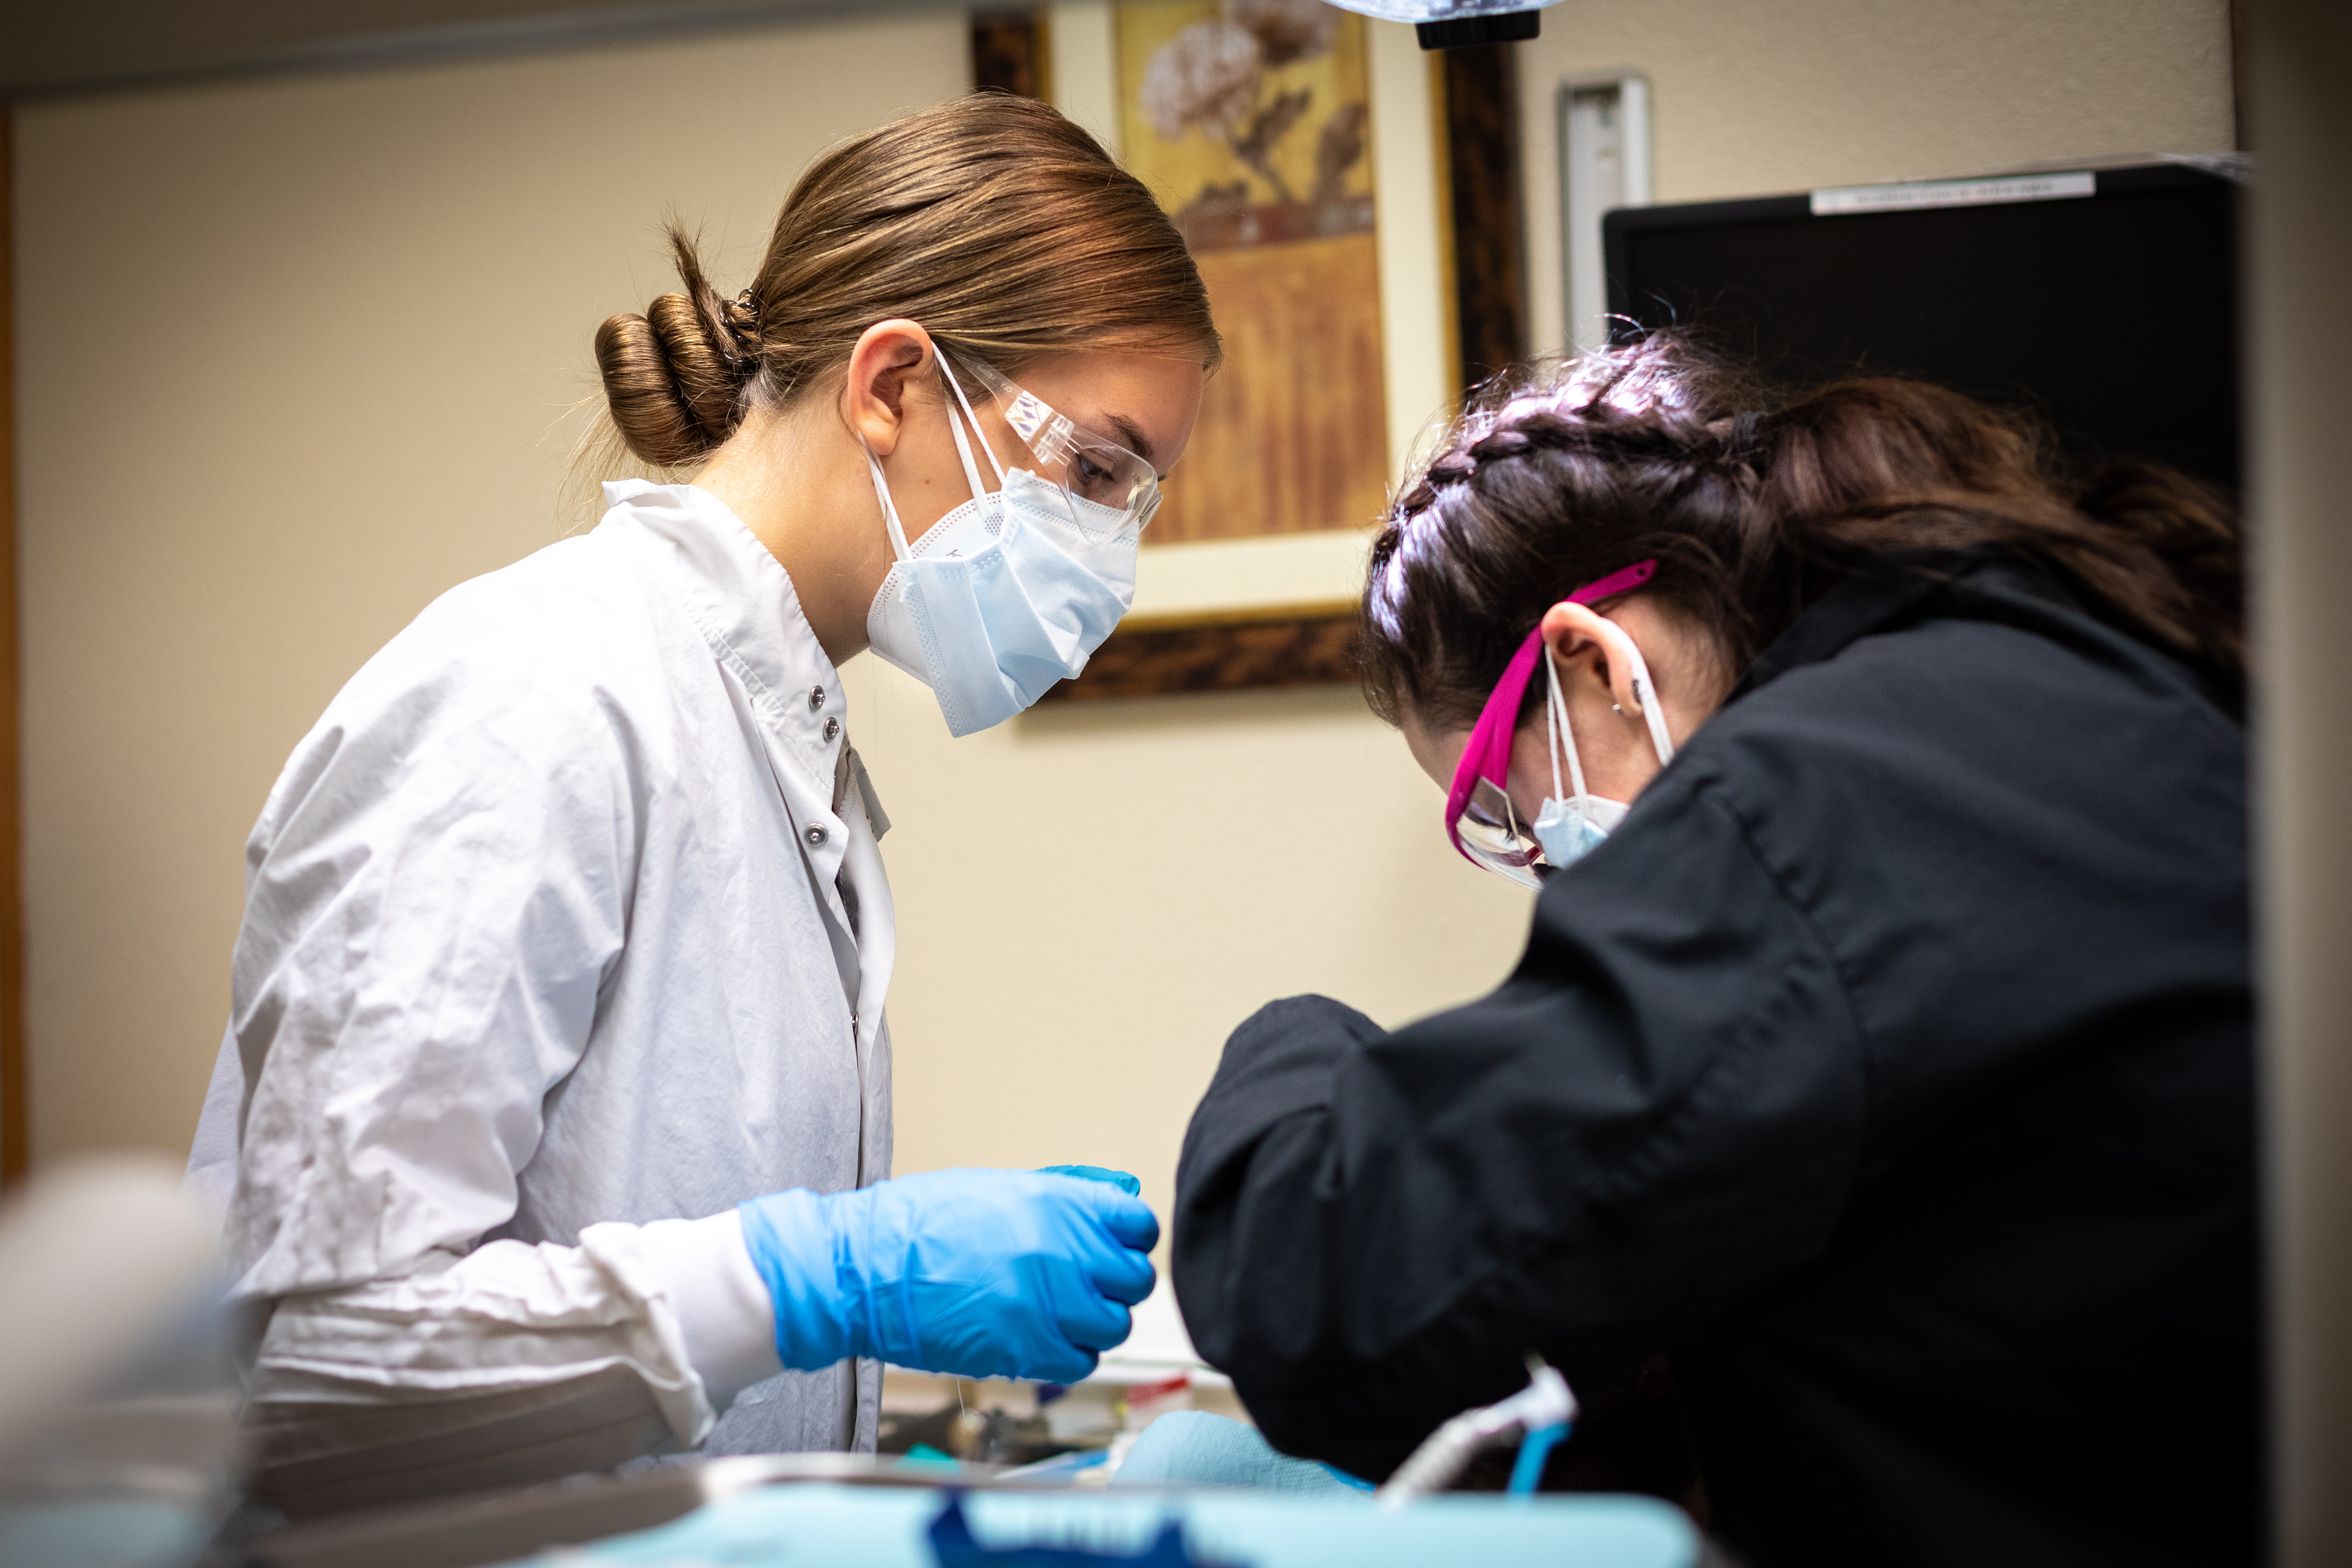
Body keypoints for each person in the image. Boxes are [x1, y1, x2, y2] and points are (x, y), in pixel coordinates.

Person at [182, 94, 1215, 1518]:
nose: (1106, 550)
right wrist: (809, 1281)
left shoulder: (780, 737)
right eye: (1094, 469)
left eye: (1133, 498)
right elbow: (315, 1373)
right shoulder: (539, 693)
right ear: (891, 385)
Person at [1171, 336, 2255, 1566]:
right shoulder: (2050, 673)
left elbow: (1318, 1295)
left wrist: (1293, 1041)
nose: (1538, 860)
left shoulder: (1817, 798)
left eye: (1502, 808)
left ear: (1590, 661)